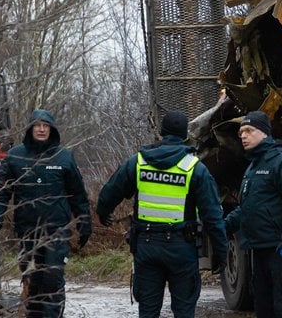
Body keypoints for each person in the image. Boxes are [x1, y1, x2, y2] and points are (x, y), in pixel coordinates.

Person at [97, 110, 228, 318]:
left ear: (161, 133)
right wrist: (222, 252)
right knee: (184, 311)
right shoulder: (194, 168)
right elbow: (212, 216)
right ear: (185, 136)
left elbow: (110, 192)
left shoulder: (139, 162)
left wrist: (103, 213)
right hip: (182, 249)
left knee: (148, 311)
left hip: (147, 247)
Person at [0, 109, 92, 318]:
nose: (42, 129)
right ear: (30, 129)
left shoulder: (64, 157)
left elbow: (78, 195)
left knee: (53, 280)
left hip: (57, 232)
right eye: (38, 125)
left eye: (46, 126)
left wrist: (84, 223)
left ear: (51, 129)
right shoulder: (15, 157)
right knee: (33, 281)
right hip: (27, 231)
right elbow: (0, 193)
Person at [225, 110, 282, 318]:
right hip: (259, 249)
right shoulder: (253, 166)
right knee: (264, 309)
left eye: (248, 130)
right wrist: (221, 226)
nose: (243, 136)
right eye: (241, 132)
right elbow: (247, 208)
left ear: (264, 133)